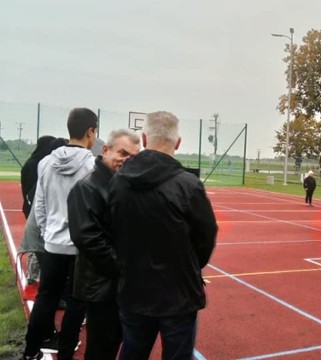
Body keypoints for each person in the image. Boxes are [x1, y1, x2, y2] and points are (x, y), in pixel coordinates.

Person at [107, 111, 218, 359]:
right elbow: (206, 237)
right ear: (178, 142)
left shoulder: (117, 182)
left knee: (132, 351)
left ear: (144, 139)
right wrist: (188, 266)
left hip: (133, 289)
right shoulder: (188, 185)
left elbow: (111, 230)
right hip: (179, 294)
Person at [23, 108, 98, 360]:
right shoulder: (92, 166)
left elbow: (39, 206)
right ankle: (66, 353)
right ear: (90, 131)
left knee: (46, 297)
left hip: (52, 244)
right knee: (76, 303)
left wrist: (48, 234)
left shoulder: (46, 162)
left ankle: (30, 350)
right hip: (80, 248)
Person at [67, 129, 141, 360]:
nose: (127, 160)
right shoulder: (87, 187)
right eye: (122, 153)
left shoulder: (123, 185)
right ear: (106, 150)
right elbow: (88, 239)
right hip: (100, 286)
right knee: (101, 347)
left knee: (115, 342)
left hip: (117, 285)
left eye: (133, 157)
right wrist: (123, 269)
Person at [19, 136, 67, 285]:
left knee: (38, 243)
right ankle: (34, 275)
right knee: (39, 244)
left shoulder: (36, 162)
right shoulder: (42, 165)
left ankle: (35, 275)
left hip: (32, 204)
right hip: (36, 206)